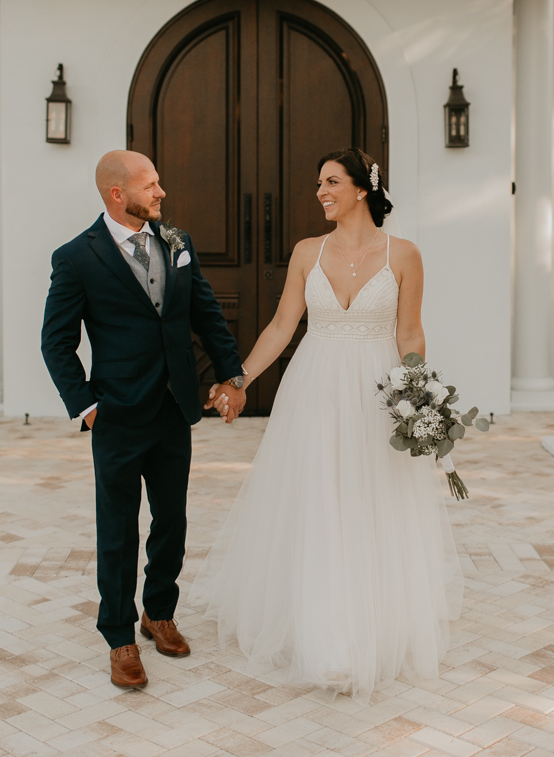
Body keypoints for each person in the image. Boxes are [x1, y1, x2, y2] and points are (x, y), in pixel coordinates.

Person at [190, 148, 463, 703]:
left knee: (370, 502)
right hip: (314, 391)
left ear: (362, 188)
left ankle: (370, 628)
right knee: (319, 500)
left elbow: (410, 335)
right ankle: (327, 636)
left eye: (331, 182)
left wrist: (420, 399)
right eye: (319, 183)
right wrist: (237, 379)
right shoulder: (306, 252)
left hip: (377, 392)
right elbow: (282, 325)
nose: (320, 191)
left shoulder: (404, 255)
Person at [41, 150, 246, 689]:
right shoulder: (76, 257)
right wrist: (86, 406)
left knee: (171, 521)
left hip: (173, 407)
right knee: (117, 530)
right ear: (117, 194)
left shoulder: (176, 243)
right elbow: (57, 342)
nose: (161, 193)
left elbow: (205, 313)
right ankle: (119, 637)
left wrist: (234, 376)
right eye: (150, 185)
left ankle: (159, 612)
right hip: (116, 413)